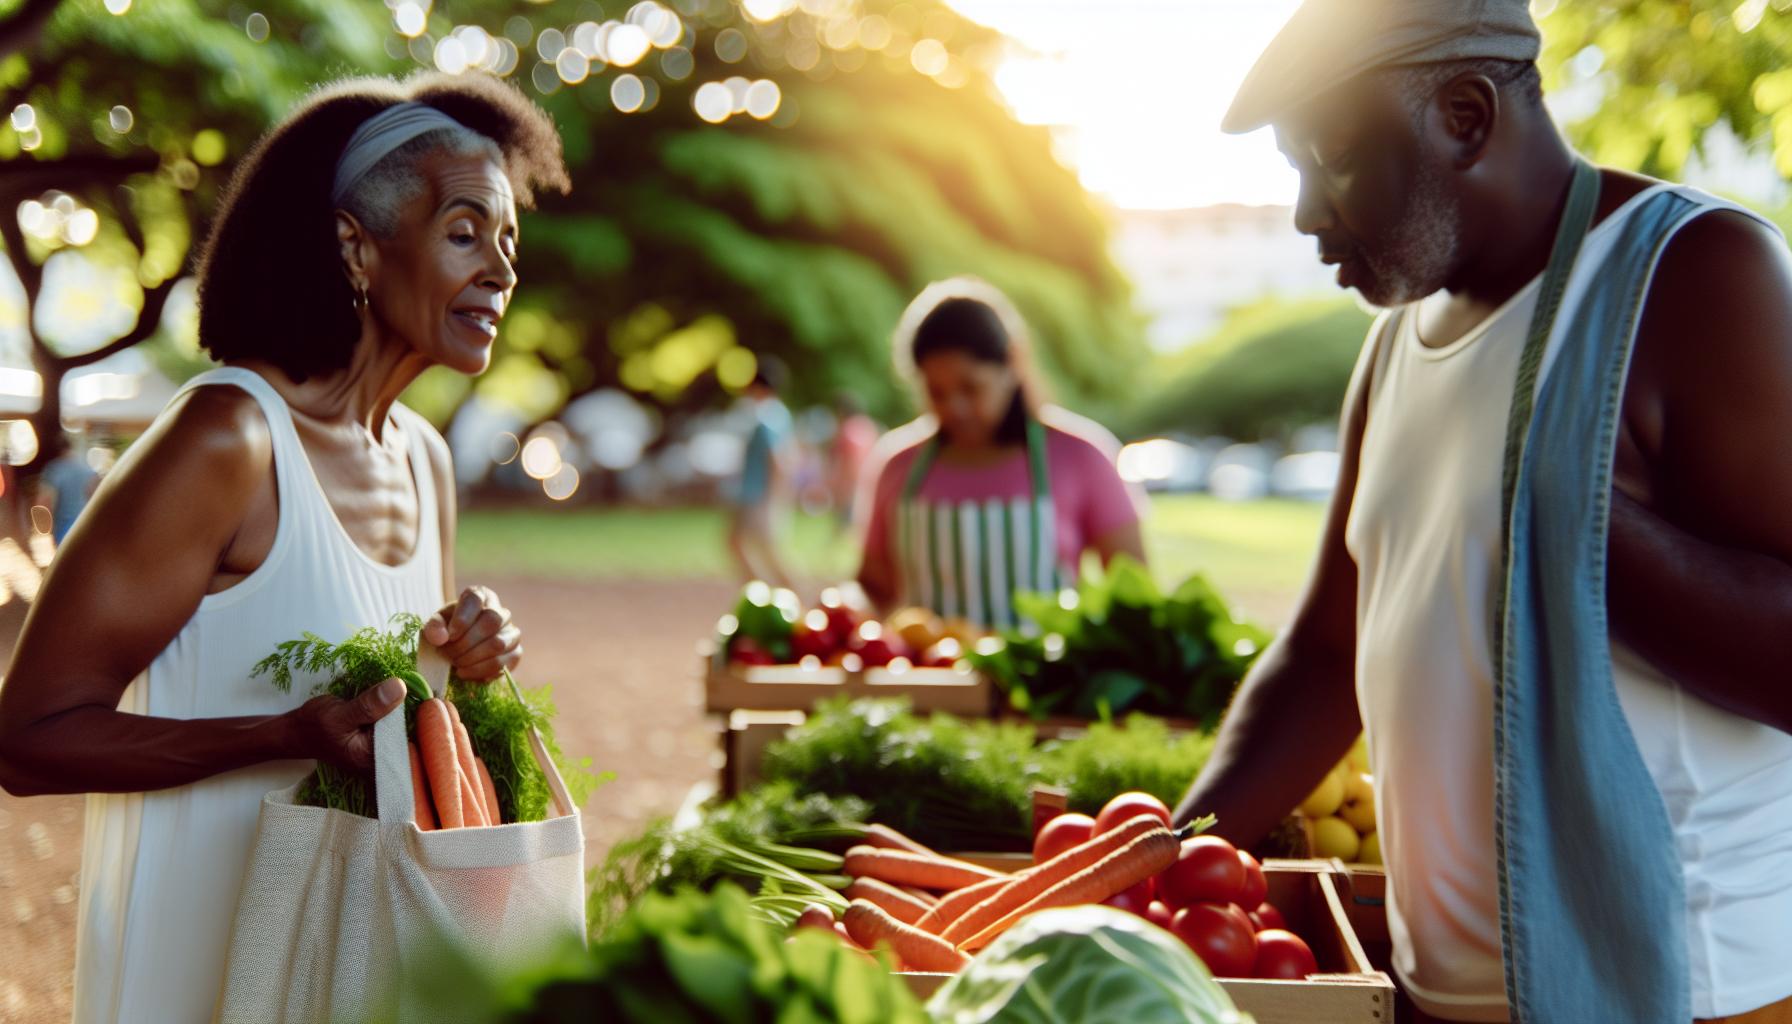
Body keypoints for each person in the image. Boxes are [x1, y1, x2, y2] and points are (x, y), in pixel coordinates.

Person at [1172, 3, 1792, 1023]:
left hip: (1685, 994)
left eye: (1331, 158)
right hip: (1441, 996)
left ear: (1462, 115)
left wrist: (1566, 515)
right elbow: (1328, 654)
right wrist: (1169, 850)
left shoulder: (1696, 275)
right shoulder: (1392, 349)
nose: (1304, 213)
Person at [0, 72, 568, 1023]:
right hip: (195, 968)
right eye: (466, 231)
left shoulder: (425, 461)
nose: (502, 271)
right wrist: (279, 736)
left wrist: (466, 660)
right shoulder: (228, 441)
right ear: (358, 247)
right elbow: (27, 739)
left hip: (352, 968)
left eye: (509, 244)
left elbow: (396, 715)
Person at [856, 278, 1145, 631]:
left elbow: (1133, 592)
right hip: (933, 681)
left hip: (1045, 682)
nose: (955, 407)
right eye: (937, 392)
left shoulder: (1080, 456)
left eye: (970, 387)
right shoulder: (898, 465)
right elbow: (873, 585)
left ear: (1012, 364)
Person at [727, 355, 796, 589]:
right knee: (749, 544)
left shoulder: (767, 416)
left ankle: (777, 592)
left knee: (761, 547)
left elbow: (777, 459)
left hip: (759, 494)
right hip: (757, 492)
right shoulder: (778, 413)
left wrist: (774, 496)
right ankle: (762, 591)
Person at [38, 433, 98, 545]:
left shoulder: (54, 470)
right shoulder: (87, 469)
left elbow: (45, 501)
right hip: (85, 525)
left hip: (63, 526)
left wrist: (44, 529)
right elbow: (94, 497)